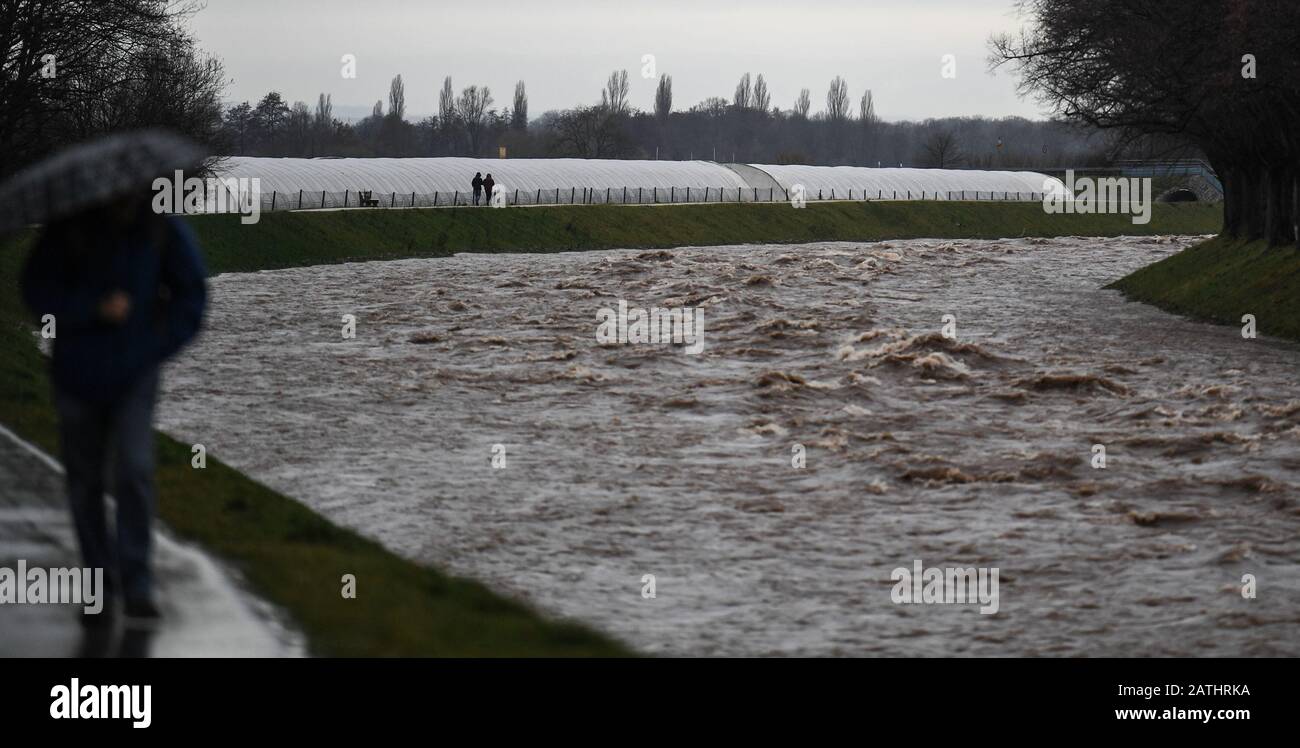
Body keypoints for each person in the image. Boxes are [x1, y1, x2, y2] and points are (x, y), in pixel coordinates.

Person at [21, 195, 208, 626]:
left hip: (134, 376)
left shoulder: (161, 227)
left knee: (134, 469)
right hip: (76, 374)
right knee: (84, 482)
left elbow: (192, 293)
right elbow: (36, 288)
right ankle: (98, 587)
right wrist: (90, 308)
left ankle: (137, 581)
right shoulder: (67, 226)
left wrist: (158, 346)